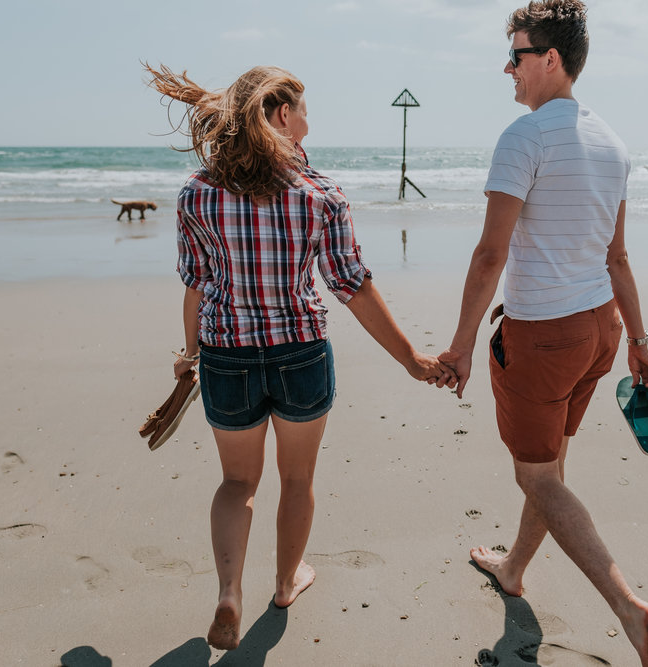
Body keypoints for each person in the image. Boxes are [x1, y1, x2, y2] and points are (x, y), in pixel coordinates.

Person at [145, 63, 455, 651]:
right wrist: (412, 358)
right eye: (305, 111)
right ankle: (286, 583)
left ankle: (229, 593)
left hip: (227, 357)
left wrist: (189, 353)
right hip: (301, 356)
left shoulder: (197, 193)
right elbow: (352, 286)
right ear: (283, 115)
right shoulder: (319, 193)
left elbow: (195, 283)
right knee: (297, 477)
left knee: (237, 481)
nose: (310, 122)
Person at [437, 2, 648, 665]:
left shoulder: (525, 136)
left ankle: (629, 605)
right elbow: (617, 256)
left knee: (537, 476)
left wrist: (458, 346)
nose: (506, 66)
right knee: (552, 463)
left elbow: (489, 256)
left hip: (542, 336)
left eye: (516, 53)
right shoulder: (611, 141)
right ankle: (512, 568)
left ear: (551, 60)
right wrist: (640, 342)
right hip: (600, 329)